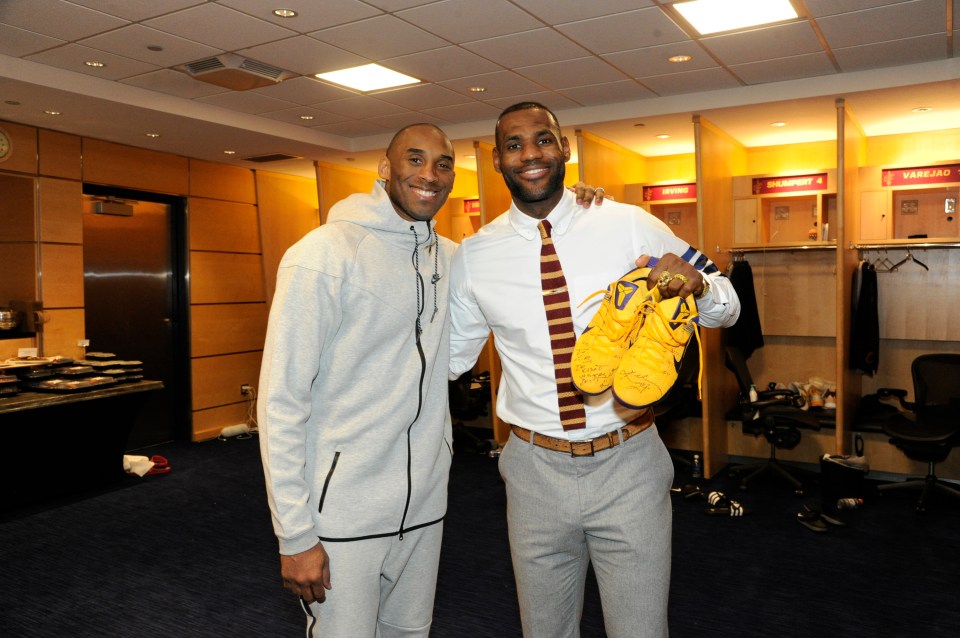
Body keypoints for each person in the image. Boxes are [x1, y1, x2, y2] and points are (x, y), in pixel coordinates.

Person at [257, 122, 604, 637]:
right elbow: (280, 401)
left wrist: (570, 204)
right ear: (384, 168)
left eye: (443, 164)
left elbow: (520, 254)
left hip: (424, 506)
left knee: (410, 633)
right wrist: (294, 533)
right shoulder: (322, 255)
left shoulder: (454, 257)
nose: (430, 174)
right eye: (414, 160)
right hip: (342, 513)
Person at [448, 102, 741, 638]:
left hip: (628, 463)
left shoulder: (626, 223)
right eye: (514, 144)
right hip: (534, 471)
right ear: (497, 159)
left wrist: (699, 287)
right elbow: (448, 356)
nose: (530, 154)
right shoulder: (473, 256)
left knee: (640, 629)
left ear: (564, 148)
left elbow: (728, 301)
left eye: (542, 139)